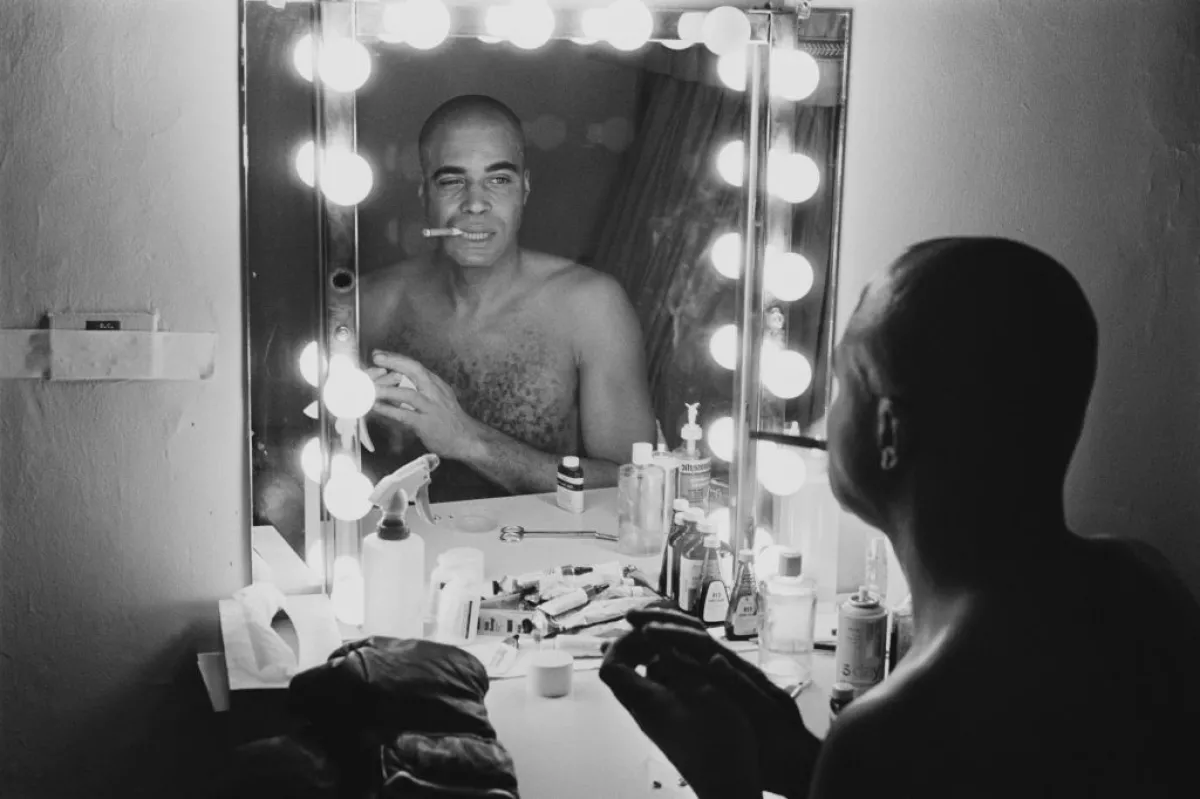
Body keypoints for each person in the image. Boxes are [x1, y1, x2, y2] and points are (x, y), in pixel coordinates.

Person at [600, 237, 1200, 799]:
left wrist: (725, 781)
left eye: (839, 385)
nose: (822, 420)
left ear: (889, 430)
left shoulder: (897, 729)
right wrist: (794, 753)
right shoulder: (1143, 585)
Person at [360, 95, 656, 502]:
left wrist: (468, 440)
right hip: (402, 557)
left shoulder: (591, 307)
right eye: (452, 181)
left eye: (498, 180)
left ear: (525, 190)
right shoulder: (373, 303)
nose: (476, 204)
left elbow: (636, 484)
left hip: (549, 562)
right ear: (423, 194)